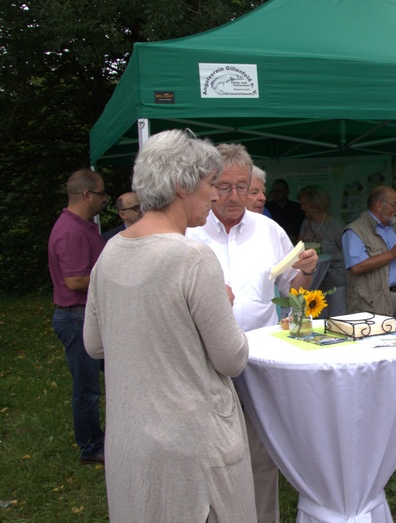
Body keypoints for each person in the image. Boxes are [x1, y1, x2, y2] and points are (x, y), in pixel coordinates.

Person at [83, 129, 256, 522]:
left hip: (131, 439)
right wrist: (223, 307)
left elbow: (94, 343)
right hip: (194, 448)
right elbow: (232, 359)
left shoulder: (110, 252)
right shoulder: (193, 258)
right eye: (210, 184)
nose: (214, 196)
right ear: (182, 185)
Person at [186, 142, 318, 523]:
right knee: (211, 459)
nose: (234, 196)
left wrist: (306, 271)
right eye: (224, 187)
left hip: (258, 362)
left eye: (242, 187)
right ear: (208, 185)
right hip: (206, 365)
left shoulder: (269, 230)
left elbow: (293, 292)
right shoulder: (189, 232)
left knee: (261, 457)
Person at [48, 168, 107, 464]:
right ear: (86, 195)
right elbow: (74, 280)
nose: (104, 199)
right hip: (76, 317)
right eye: (101, 194)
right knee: (86, 388)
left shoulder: (84, 226)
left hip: (87, 314)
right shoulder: (71, 231)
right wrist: (114, 279)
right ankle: (91, 446)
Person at [343, 185, 396, 320]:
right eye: (394, 204)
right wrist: (391, 254)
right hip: (375, 300)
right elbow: (356, 267)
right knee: (379, 334)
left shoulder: (394, 226)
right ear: (379, 205)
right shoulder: (355, 231)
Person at [297, 185, 346, 317]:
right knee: (319, 319)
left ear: (315, 205)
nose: (302, 208)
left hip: (335, 281)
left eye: (305, 204)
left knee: (337, 318)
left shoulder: (335, 225)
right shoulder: (306, 223)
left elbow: (346, 251)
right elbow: (298, 247)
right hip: (315, 280)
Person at [265, 178, 304, 243]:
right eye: (274, 191)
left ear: (287, 192)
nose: (276, 194)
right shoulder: (267, 208)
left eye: (279, 191)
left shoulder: (297, 208)